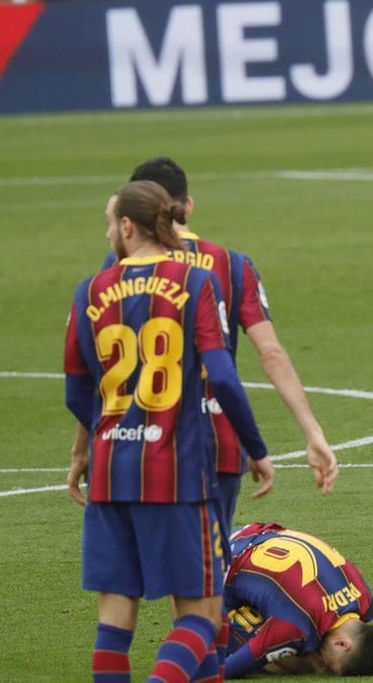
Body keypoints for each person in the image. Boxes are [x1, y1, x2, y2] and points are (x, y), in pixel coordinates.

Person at [64, 180, 276, 682]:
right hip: (177, 469)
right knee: (200, 613)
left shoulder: (90, 290)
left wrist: (100, 435)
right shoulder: (193, 281)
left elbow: (76, 389)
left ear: (127, 226)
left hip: (111, 469)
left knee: (114, 619)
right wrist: (255, 447)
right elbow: (221, 376)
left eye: (109, 221)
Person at [125, 157, 338, 529]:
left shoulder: (120, 273)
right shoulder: (231, 264)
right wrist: (311, 431)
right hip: (216, 439)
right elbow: (270, 352)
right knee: (207, 565)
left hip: (138, 437)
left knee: (145, 570)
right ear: (187, 205)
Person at [222, 522, 373, 677]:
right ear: (343, 644)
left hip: (250, 534)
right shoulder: (296, 626)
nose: (325, 666)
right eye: (331, 667)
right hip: (213, 564)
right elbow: (225, 670)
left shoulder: (364, 598)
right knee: (297, 662)